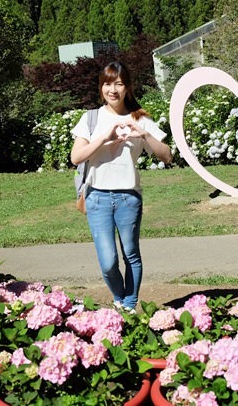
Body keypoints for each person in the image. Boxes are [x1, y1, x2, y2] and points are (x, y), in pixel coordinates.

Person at [70, 61, 172, 312]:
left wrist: (145, 135)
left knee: (131, 254)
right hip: (97, 198)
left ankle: (128, 304)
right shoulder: (91, 118)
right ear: (101, 87)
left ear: (127, 87)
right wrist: (105, 138)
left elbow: (167, 156)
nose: (112, 89)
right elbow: (76, 157)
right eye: (107, 83)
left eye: (118, 83)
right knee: (108, 262)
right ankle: (119, 297)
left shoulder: (140, 118)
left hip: (128, 197)